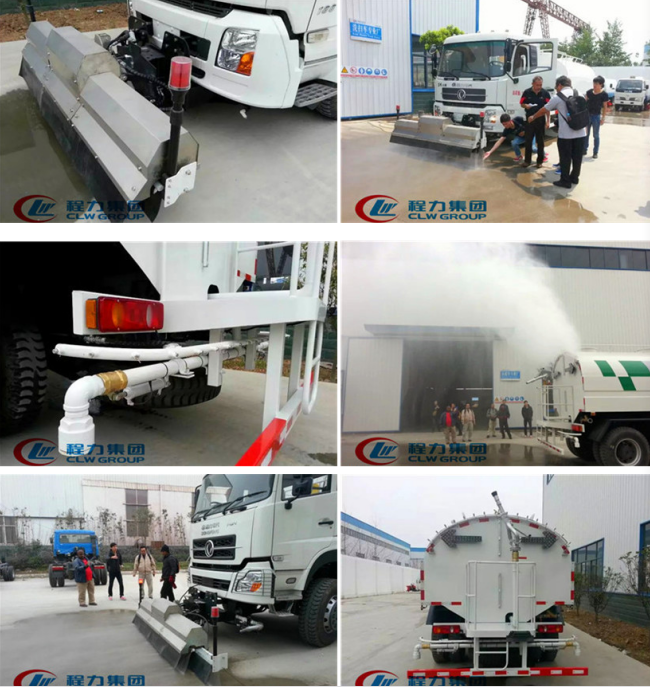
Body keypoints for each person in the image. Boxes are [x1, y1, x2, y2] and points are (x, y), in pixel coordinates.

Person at [527, 75, 587, 189]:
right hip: (581, 132)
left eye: (556, 87)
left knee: (565, 158)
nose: (556, 89)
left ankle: (565, 181)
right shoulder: (579, 93)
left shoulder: (558, 97)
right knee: (577, 158)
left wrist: (533, 117)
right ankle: (574, 178)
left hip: (566, 135)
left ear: (559, 85)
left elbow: (544, 109)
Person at [520, 76, 551, 167]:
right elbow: (521, 103)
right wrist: (526, 106)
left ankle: (539, 161)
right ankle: (527, 161)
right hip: (529, 120)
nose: (539, 87)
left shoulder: (545, 93)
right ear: (532, 84)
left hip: (540, 120)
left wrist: (548, 121)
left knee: (540, 141)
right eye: (537, 85)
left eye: (540, 85)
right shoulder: (527, 92)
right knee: (528, 141)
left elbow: (548, 108)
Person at [584, 76, 608, 159]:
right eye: (594, 83)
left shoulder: (604, 94)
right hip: (588, 115)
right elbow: (584, 103)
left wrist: (603, 118)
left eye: (597, 84)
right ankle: (584, 149)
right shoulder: (589, 92)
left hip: (596, 116)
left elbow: (605, 107)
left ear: (601, 85)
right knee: (586, 134)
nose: (594, 85)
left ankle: (595, 152)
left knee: (596, 135)